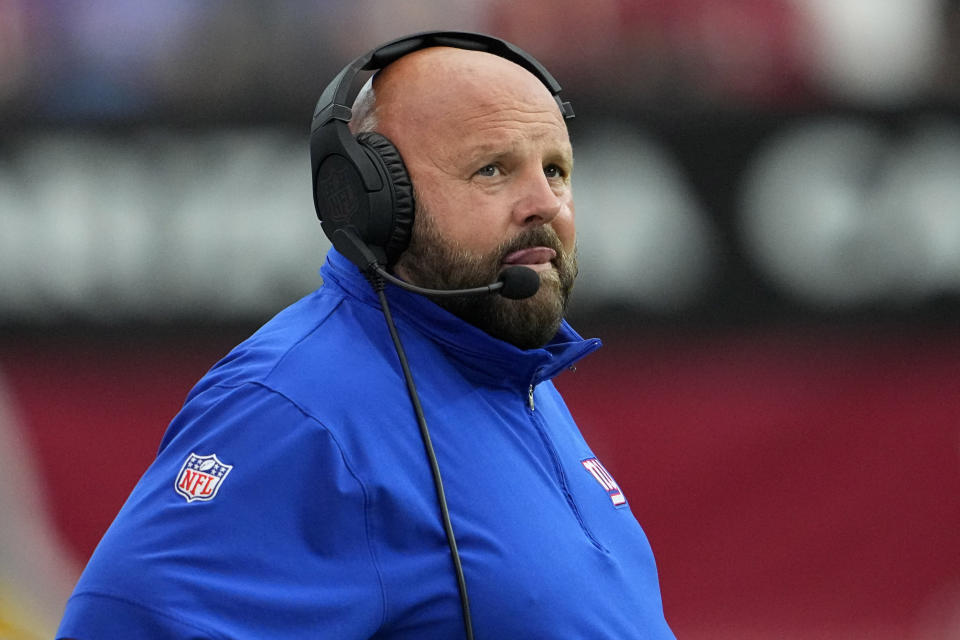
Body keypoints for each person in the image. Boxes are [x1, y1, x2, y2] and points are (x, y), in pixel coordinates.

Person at [57, 33, 674, 639]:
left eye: (556, 170)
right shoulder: (295, 409)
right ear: (372, 199)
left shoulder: (513, 374)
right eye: (491, 169)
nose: (546, 203)